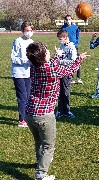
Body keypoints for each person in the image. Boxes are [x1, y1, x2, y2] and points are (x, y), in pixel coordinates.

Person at [25, 42, 89, 180]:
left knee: (38, 141)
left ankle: (40, 162)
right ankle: (41, 175)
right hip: (44, 114)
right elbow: (70, 69)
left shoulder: (33, 67)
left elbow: (49, 63)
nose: (48, 52)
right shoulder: (52, 70)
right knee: (48, 146)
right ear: (43, 56)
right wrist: (80, 58)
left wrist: (56, 56)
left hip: (29, 112)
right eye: (46, 51)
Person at [11, 21, 34, 127]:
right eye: (27, 30)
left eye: (30, 30)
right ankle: (21, 119)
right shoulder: (18, 41)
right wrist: (25, 61)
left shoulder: (32, 42)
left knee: (29, 96)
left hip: (28, 73)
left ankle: (27, 116)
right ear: (22, 31)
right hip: (18, 73)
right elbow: (13, 58)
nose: (29, 32)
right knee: (22, 96)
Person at [55, 30, 77, 119]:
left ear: (66, 37)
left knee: (66, 91)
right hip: (59, 71)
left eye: (61, 39)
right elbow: (60, 56)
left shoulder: (71, 47)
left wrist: (60, 61)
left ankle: (67, 110)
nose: (60, 41)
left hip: (66, 72)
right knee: (59, 92)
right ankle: (60, 110)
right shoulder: (62, 45)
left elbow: (73, 60)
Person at [61, 15, 82, 84]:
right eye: (67, 19)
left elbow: (78, 36)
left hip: (74, 46)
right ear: (65, 20)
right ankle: (71, 78)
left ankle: (79, 78)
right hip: (66, 47)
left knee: (77, 61)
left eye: (69, 19)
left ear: (71, 19)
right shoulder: (63, 27)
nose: (68, 20)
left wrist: (76, 43)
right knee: (69, 61)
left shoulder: (75, 27)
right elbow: (61, 36)